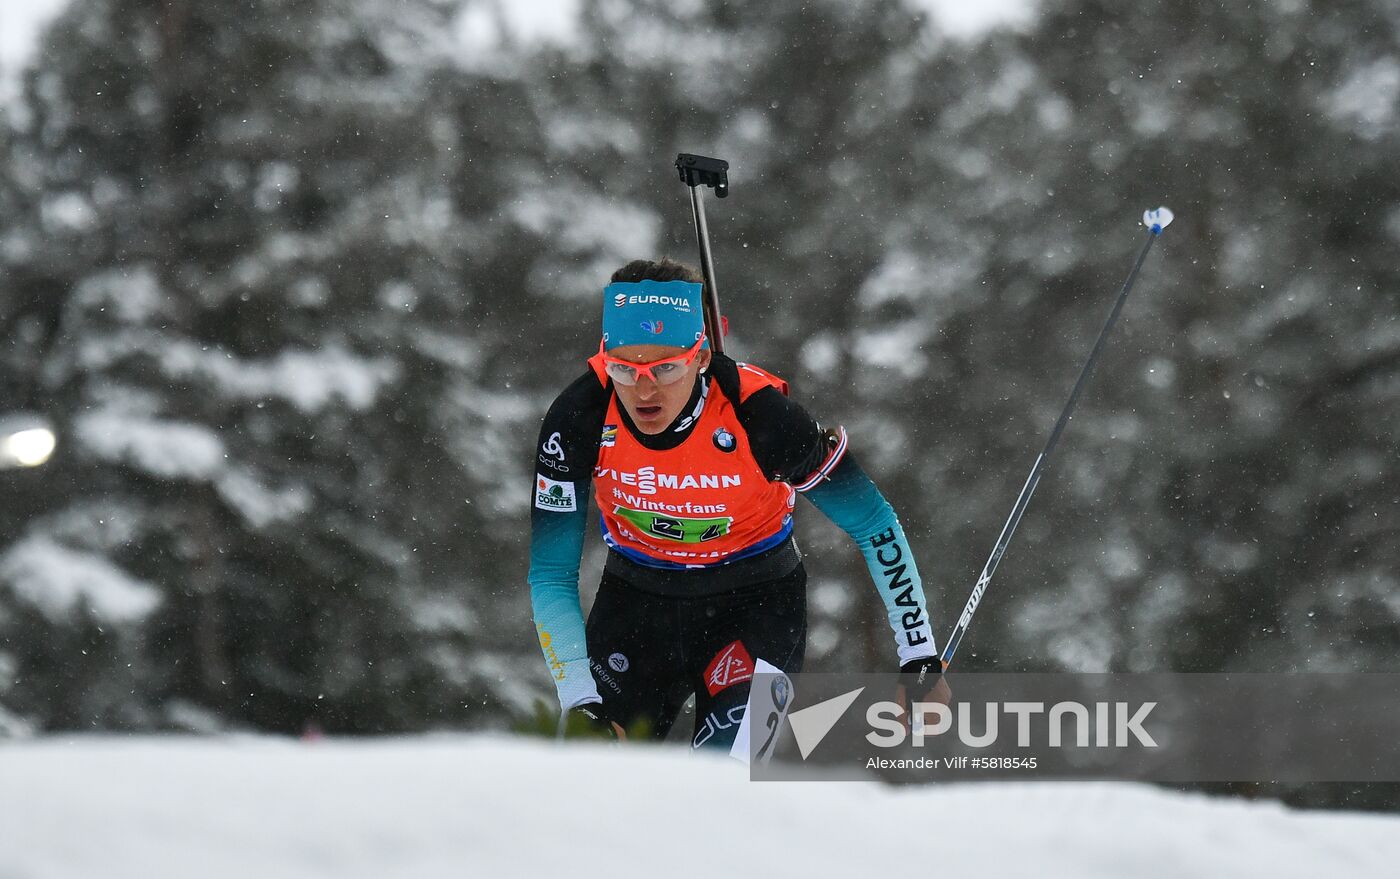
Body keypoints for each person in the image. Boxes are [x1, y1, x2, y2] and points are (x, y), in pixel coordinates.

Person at [528, 257, 947, 753]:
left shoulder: (762, 417)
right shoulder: (578, 418)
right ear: (604, 357)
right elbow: (551, 573)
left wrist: (918, 653)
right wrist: (579, 697)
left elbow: (873, 522)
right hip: (636, 603)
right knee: (586, 763)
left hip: (757, 604)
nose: (644, 389)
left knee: (726, 779)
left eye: (665, 367)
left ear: (701, 356)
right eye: (624, 367)